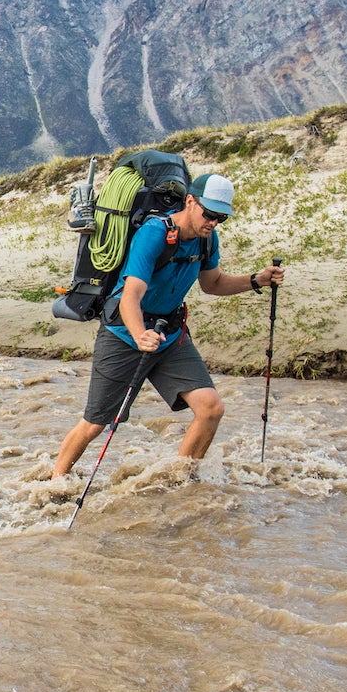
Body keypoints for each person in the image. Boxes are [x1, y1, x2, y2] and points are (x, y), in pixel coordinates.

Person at [51, 172, 285, 478]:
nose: (213, 223)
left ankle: (180, 478)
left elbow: (213, 284)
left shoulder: (206, 240)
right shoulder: (153, 233)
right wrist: (139, 335)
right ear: (190, 201)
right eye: (209, 214)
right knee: (96, 422)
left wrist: (257, 280)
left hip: (170, 335)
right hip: (124, 333)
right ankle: (56, 481)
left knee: (211, 409)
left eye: (221, 218)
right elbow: (130, 295)